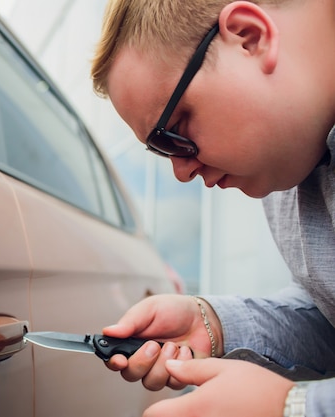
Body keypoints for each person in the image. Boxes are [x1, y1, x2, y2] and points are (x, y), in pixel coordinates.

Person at [90, 0, 335, 416]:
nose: (182, 172)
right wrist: (215, 323)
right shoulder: (285, 173)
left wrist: (293, 406)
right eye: (159, 151)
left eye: (174, 132)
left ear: (249, 37)